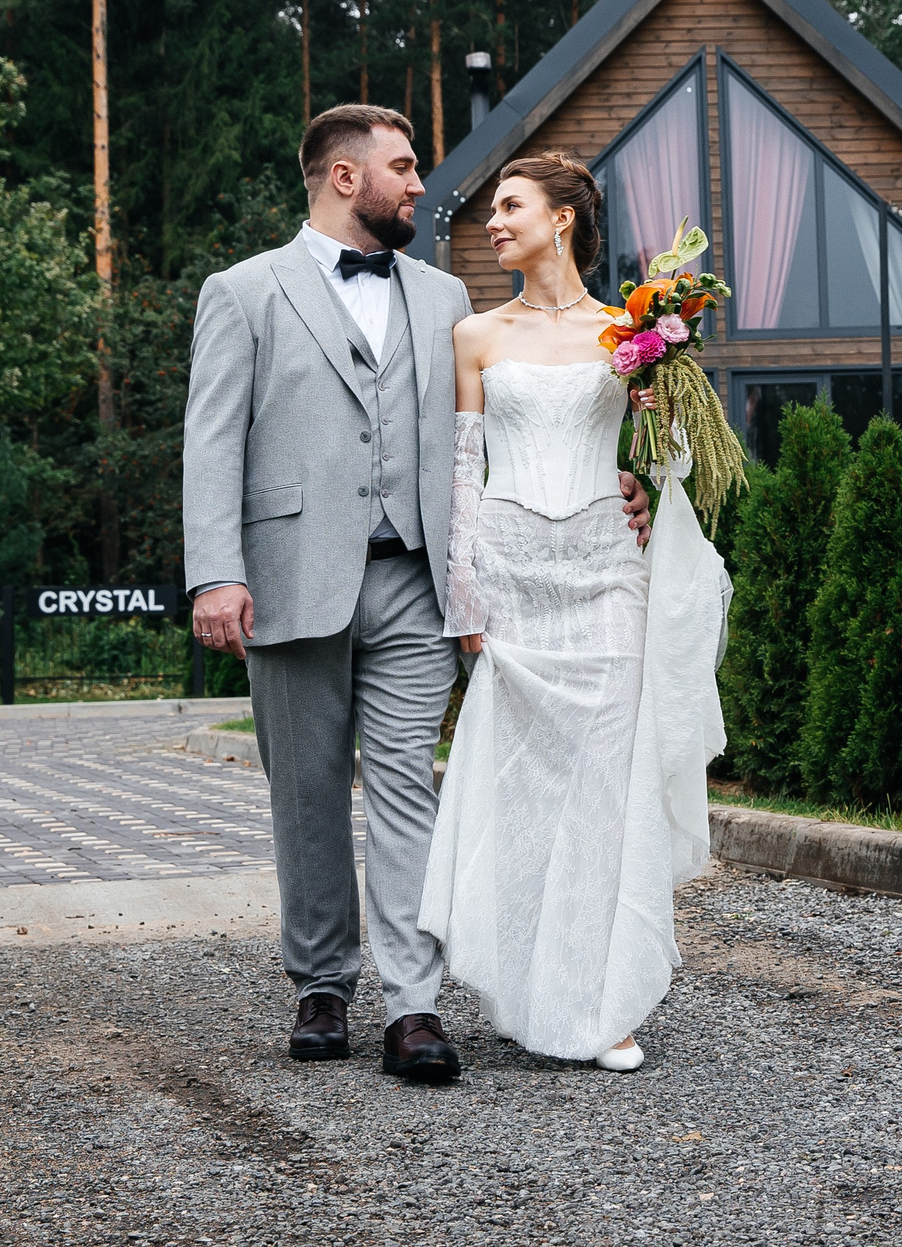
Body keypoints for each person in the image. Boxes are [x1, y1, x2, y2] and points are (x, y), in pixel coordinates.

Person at [181, 107, 650, 1085]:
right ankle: (321, 983)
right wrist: (215, 570)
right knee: (305, 789)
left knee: (405, 781)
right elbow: (212, 437)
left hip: (415, 578)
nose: (419, 185)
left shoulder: (444, 300)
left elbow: (505, 421)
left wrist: (616, 477)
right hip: (288, 579)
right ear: (346, 178)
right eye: (402, 167)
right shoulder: (242, 292)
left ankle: (412, 1002)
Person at [419, 152, 729, 1072]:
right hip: (512, 577)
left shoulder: (633, 333)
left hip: (604, 572)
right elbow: (463, 475)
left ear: (563, 220)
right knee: (521, 785)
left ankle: (606, 1000)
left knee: (606, 786)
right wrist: (463, 592)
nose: (492, 223)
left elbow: (665, 451)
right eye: (491, 210)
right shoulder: (474, 336)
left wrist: (645, 472)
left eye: (510, 207)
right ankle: (522, 983)